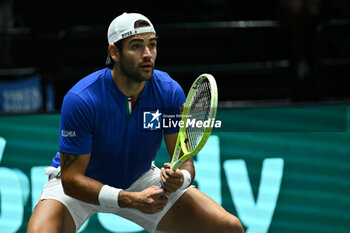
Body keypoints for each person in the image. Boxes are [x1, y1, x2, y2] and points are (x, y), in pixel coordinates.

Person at [27, 12, 244, 233]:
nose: (147, 54)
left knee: (229, 227)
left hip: (140, 178)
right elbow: (72, 181)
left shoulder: (168, 91)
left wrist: (181, 178)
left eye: (152, 44)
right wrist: (128, 199)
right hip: (83, 185)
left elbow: (184, 161)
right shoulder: (82, 99)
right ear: (114, 52)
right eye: (136, 46)